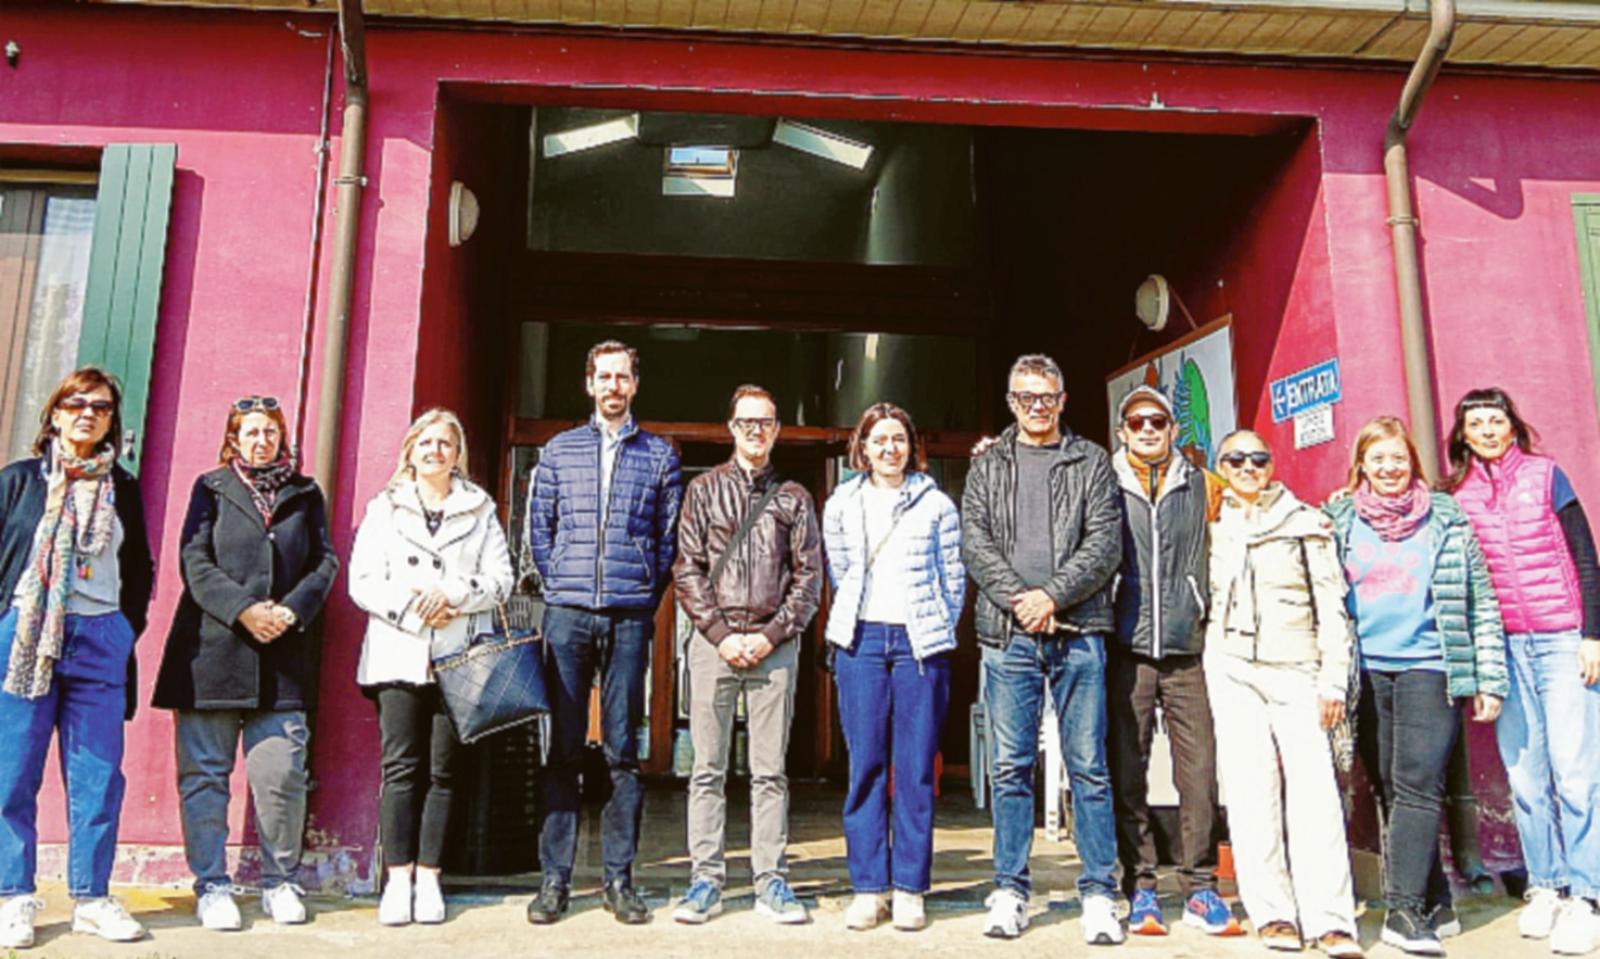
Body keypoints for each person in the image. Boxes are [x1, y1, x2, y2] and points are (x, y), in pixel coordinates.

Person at [153, 396, 338, 930]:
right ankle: (212, 885)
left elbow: (325, 560)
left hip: (283, 658)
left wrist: (290, 610)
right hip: (209, 657)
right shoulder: (210, 488)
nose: (262, 441)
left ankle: (280, 882)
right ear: (234, 439)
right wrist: (243, 610)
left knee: (281, 774)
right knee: (206, 778)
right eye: (251, 433)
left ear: (282, 438)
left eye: (270, 432)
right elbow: (194, 559)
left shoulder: (305, 494)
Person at [1325, 415, 1507, 956]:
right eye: (1378, 459)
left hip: (1432, 665)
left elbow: (1481, 601)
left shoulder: (1446, 519)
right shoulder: (1336, 519)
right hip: (1368, 670)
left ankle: (1402, 913)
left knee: (1418, 782)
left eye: (1398, 459)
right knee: (1388, 785)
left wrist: (1489, 678)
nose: (1389, 468)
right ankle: (1436, 899)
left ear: (1413, 464)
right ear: (1362, 465)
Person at [962, 353, 1124, 945]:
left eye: (1047, 396)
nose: (1036, 406)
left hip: (1078, 633)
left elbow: (1106, 542)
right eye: (1025, 396)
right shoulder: (989, 464)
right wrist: (1020, 600)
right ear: (1011, 401)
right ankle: (1010, 888)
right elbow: (974, 541)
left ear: (1063, 400)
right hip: (1008, 638)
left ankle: (1101, 893)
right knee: (1011, 768)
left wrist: (1052, 596)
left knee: (1089, 766)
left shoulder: (1091, 461)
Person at [525, 340, 682, 926]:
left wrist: (642, 591)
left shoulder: (660, 456)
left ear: (635, 385)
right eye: (604, 377)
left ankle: (619, 878)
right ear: (589, 384)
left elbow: (667, 541)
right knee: (562, 748)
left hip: (629, 615)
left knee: (621, 750)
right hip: (566, 614)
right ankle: (555, 880)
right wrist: (561, 579)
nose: (613, 386)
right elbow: (539, 529)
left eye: (623, 377)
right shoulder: (559, 451)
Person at [0, 367, 154, 948]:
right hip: (24, 636)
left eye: (102, 407)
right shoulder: (18, 481)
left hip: (99, 639)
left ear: (114, 422)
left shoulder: (126, 489)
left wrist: (121, 630)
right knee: (12, 770)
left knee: (96, 776)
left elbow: (139, 569)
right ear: (56, 414)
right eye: (77, 403)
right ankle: (13, 894)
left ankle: (92, 897)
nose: (88, 413)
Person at [1443, 388, 1600, 955]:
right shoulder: (1456, 496)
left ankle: (1588, 893)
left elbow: (1585, 553)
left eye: (1497, 419)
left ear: (1513, 426)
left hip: (1562, 641)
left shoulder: (1546, 475)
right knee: (1527, 778)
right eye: (1476, 422)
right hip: (1504, 647)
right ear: (1462, 434)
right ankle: (1547, 885)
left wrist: (1593, 635)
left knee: (1576, 772)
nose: (1487, 429)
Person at [350, 408, 513, 927]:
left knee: (445, 772)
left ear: (457, 453)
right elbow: (363, 580)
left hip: (457, 655)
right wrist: (412, 607)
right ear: (411, 451)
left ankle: (429, 876)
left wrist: (455, 596)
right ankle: (397, 879)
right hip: (399, 650)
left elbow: (502, 578)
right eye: (426, 443)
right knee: (402, 769)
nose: (435, 451)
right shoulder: (385, 509)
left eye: (445, 443)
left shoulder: (480, 509)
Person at [1204, 430, 1361, 958]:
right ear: (1220, 464)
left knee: (1315, 793)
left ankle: (1332, 918)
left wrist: (1332, 677)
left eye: (1258, 458)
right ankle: (1272, 912)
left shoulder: (1305, 522)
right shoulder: (1209, 522)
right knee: (1251, 795)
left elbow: (1331, 606)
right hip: (1231, 667)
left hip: (1296, 665)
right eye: (1236, 459)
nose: (1247, 467)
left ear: (1271, 464)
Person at [671, 385, 823, 926]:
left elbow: (809, 580)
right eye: (746, 422)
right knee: (707, 771)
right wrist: (718, 632)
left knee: (768, 772)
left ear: (777, 429)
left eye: (765, 422)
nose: (755, 431)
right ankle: (705, 881)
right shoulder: (704, 490)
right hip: (714, 644)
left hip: (773, 647)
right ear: (730, 428)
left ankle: (771, 881)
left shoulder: (794, 497)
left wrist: (771, 634)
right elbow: (686, 567)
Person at [823, 402, 964, 933]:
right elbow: (840, 569)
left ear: (911, 446)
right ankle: (868, 886)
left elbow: (953, 579)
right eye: (878, 439)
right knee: (866, 766)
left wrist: (932, 629)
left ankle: (909, 886)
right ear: (862, 447)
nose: (889, 449)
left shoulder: (937, 507)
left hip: (918, 645)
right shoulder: (841, 504)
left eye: (898, 439)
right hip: (860, 641)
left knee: (914, 768)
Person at [1106, 383, 1234, 937]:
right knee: (1127, 769)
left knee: (1199, 771)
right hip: (1127, 647)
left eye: (1158, 421)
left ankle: (1201, 886)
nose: (1149, 430)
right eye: (1138, 423)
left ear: (1173, 429)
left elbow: (1248, 521)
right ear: (1122, 431)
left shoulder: (1205, 486)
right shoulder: (1104, 483)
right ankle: (1140, 887)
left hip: (1188, 646)